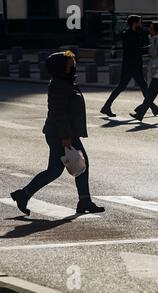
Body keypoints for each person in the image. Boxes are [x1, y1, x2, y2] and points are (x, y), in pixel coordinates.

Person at [10, 51, 105, 215]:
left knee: (56, 170)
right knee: (78, 165)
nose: (73, 66)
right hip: (61, 134)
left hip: (63, 132)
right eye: (69, 64)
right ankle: (84, 201)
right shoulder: (59, 85)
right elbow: (58, 113)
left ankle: (23, 195)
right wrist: (66, 137)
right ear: (60, 68)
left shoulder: (65, 82)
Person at [100, 15, 158, 117]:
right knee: (137, 86)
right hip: (131, 65)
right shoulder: (129, 34)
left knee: (132, 86)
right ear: (134, 23)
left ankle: (106, 107)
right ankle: (153, 107)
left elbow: (136, 48)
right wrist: (149, 49)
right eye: (139, 22)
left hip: (133, 64)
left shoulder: (133, 33)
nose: (140, 24)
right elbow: (133, 50)